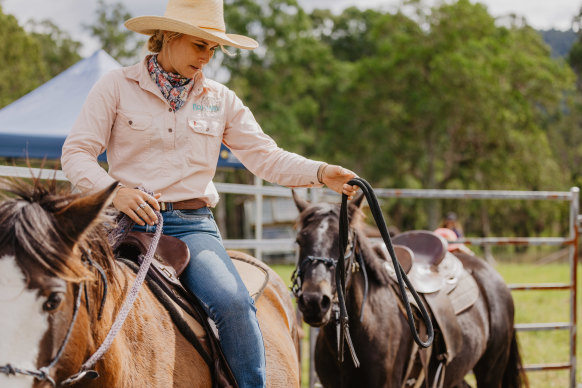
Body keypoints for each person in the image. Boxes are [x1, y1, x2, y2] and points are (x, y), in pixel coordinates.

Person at [61, 0, 358, 387]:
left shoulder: (221, 99)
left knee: (233, 303)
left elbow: (265, 157)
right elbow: (76, 153)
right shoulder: (116, 86)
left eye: (213, 48)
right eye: (200, 45)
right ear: (167, 37)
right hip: (124, 222)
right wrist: (115, 192)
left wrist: (321, 173)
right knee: (60, 292)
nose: (207, 57)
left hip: (190, 227)